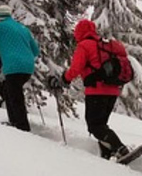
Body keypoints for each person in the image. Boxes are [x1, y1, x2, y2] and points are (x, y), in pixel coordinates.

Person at [48, 18, 131, 160]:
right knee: (101, 124)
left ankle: (120, 148)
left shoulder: (84, 46)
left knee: (94, 126)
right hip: (113, 90)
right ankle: (107, 153)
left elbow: (76, 68)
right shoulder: (107, 45)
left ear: (79, 32)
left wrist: (64, 80)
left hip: (96, 91)